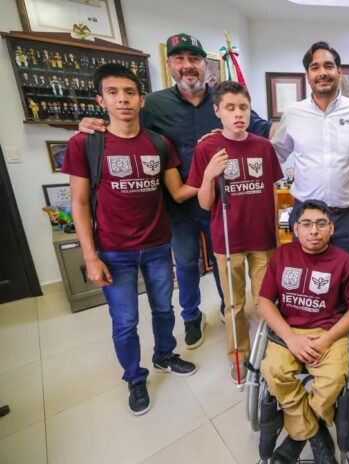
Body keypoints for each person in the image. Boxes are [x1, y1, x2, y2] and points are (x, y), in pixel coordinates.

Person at [79, 33, 275, 350]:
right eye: (180, 59)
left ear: (204, 64)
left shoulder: (222, 99)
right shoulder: (155, 103)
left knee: (224, 264)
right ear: (170, 64)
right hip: (178, 201)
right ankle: (192, 316)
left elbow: (261, 127)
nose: (187, 65)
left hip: (222, 201)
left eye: (194, 59)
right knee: (185, 264)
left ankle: (229, 312)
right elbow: (125, 126)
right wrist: (91, 123)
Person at [62, 63, 198, 416]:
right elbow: (79, 203)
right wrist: (90, 257)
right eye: (113, 92)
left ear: (141, 99)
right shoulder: (85, 143)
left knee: (164, 309)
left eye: (129, 92)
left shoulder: (159, 143)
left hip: (157, 245)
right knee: (125, 321)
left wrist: (209, 172)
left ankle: (164, 354)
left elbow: (177, 192)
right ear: (101, 100)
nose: (122, 99)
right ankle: (135, 379)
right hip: (112, 251)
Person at [257, 199, 349, 464]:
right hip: (289, 330)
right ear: (296, 228)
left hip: (328, 331)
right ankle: (317, 434)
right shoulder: (282, 256)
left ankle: (296, 438)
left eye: (321, 224)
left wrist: (327, 339)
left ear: (331, 228)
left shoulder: (344, 262)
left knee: (333, 379)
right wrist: (291, 339)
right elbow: (263, 302)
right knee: (273, 371)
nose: (314, 230)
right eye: (306, 224)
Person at [187, 81, 283, 383]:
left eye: (243, 107)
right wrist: (209, 175)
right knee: (234, 305)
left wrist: (278, 235)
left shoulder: (263, 146)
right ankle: (239, 357)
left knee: (265, 301)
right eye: (230, 108)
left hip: (263, 239)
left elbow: (273, 192)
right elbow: (204, 204)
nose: (238, 114)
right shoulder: (207, 148)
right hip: (228, 240)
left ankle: (271, 352)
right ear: (217, 111)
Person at [271, 41, 349, 263]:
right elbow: (273, 155)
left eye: (328, 66)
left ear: (339, 72)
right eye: (315, 67)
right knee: (306, 276)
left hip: (348, 217)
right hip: (305, 216)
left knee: (346, 275)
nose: (322, 73)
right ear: (308, 75)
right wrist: (235, 140)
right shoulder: (293, 113)